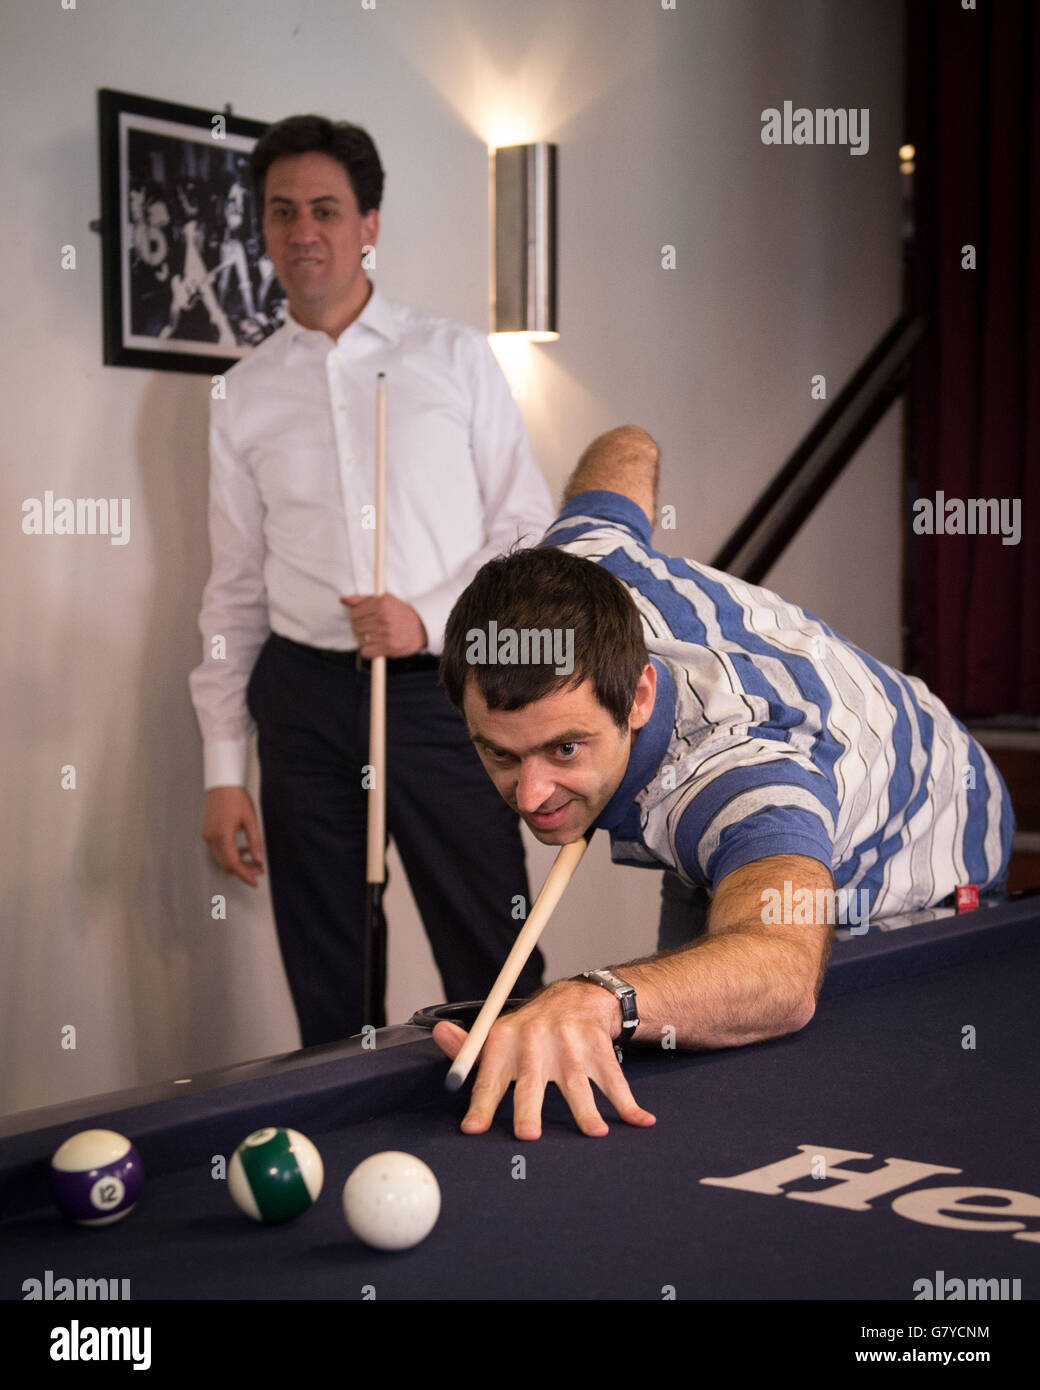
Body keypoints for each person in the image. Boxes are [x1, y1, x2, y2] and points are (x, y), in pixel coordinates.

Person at [432, 425, 1014, 1139]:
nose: (531, 796)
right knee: (675, 1027)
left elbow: (781, 970)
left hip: (924, 840)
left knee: (792, 1105)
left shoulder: (738, 781)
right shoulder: (575, 573)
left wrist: (595, 996)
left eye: (565, 748)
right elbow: (629, 445)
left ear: (639, 697)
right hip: (791, 783)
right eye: (500, 754)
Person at [189, 116, 554, 1045]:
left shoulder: (454, 356)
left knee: (494, 951)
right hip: (304, 701)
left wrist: (425, 618)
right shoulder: (243, 394)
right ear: (263, 230)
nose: (302, 231)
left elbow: (526, 531)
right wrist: (222, 771)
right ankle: (346, 1163)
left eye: (324, 209)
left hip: (441, 694)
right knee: (332, 973)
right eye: (281, 213)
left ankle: (534, 1139)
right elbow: (232, 586)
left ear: (369, 225)